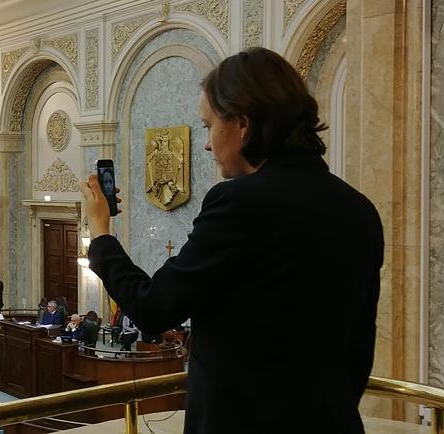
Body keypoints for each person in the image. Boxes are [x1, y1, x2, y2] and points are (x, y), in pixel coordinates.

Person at [78, 47, 383, 434]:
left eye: (208, 126)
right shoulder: (359, 209)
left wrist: (101, 234)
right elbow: (359, 349)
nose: (207, 143)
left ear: (242, 124)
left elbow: (154, 308)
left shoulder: (240, 202)